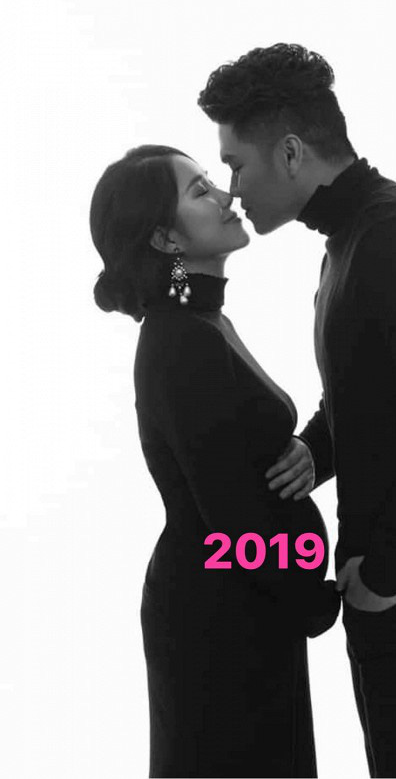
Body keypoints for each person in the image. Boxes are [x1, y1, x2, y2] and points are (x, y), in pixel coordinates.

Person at [198, 43, 396, 778]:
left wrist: (386, 573)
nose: (232, 190)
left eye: (236, 165)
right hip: (395, 573)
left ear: (290, 153)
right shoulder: (348, 241)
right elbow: (366, 398)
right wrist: (314, 451)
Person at [89, 144, 340, 778]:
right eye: (201, 191)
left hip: (244, 602)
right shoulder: (179, 338)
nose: (227, 196)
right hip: (220, 618)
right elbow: (230, 510)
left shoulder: (197, 318)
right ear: (165, 238)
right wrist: (314, 598)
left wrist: (308, 454)